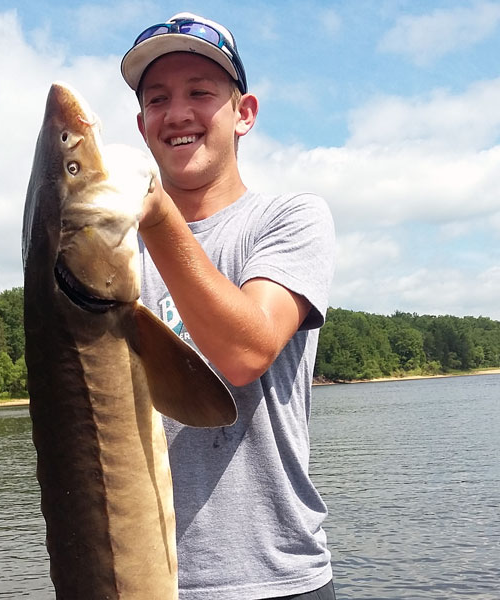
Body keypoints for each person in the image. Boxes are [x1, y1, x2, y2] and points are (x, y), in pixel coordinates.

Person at [121, 12, 336, 600]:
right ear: (143, 126)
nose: (179, 113)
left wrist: (156, 212)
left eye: (200, 93)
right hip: (136, 580)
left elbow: (246, 351)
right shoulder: (113, 251)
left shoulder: (290, 219)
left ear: (244, 114)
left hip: (276, 580)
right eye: (158, 98)